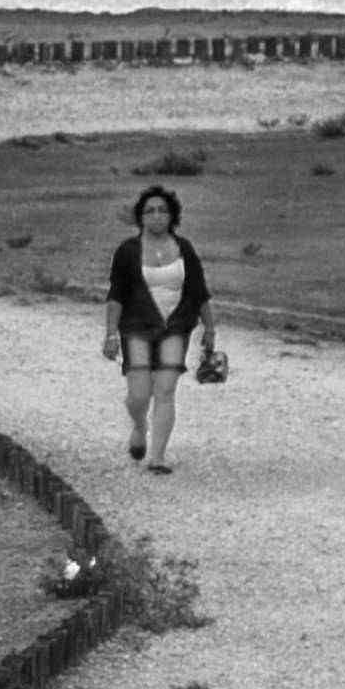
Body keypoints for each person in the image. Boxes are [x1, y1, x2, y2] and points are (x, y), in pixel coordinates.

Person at [101, 183, 216, 474]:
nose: (156, 216)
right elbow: (116, 295)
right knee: (139, 393)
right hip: (136, 326)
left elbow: (199, 290)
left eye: (162, 210)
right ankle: (139, 427)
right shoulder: (127, 252)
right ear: (140, 217)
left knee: (166, 390)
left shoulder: (185, 248)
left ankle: (158, 457)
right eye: (150, 211)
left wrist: (210, 329)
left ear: (172, 215)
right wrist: (111, 333)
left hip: (176, 325)